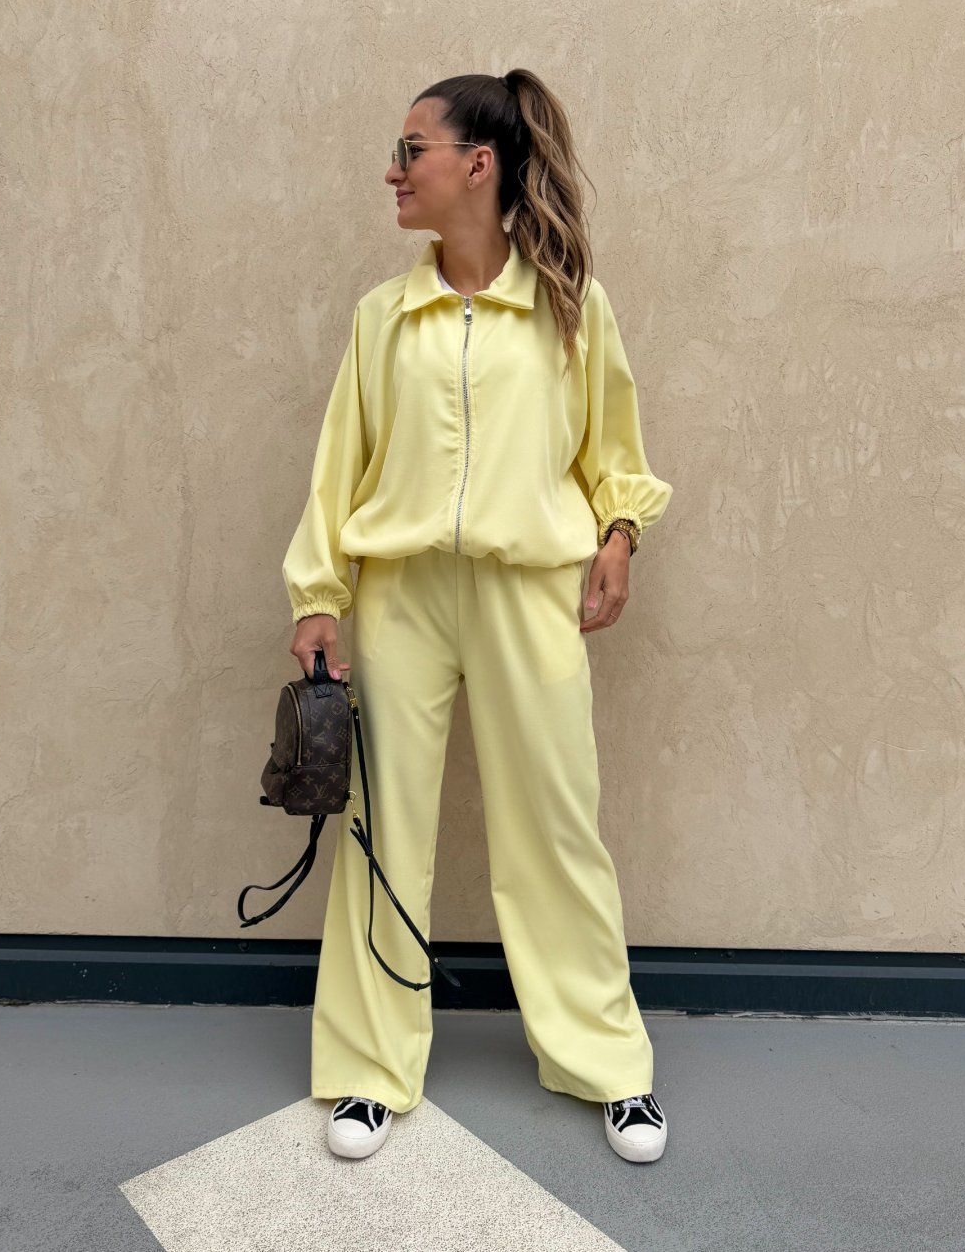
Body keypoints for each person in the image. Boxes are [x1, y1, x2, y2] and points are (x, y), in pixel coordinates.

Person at [282, 69, 674, 1164]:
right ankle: (369, 1068)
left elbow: (615, 451)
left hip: (527, 593)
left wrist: (619, 537)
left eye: (412, 150)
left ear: (478, 164)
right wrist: (319, 595)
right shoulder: (383, 317)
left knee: (556, 829)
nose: (393, 170)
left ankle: (607, 1064)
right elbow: (338, 468)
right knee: (384, 833)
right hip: (401, 595)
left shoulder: (571, 304)